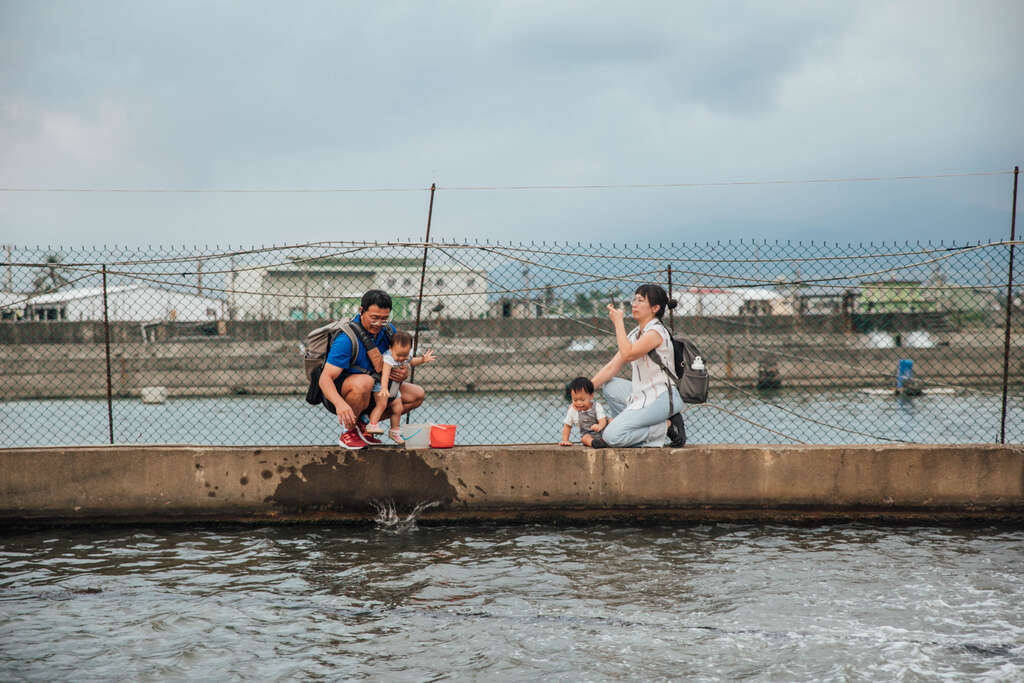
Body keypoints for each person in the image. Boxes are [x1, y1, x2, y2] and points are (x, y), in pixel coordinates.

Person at [318, 290, 426, 449]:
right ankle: (348, 432)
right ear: (361, 311)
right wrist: (340, 404)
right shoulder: (346, 339)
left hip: (376, 391)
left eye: (384, 318)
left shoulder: (389, 331)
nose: (378, 323)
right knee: (364, 382)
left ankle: (365, 424)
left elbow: (398, 362)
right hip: (342, 396)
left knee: (417, 394)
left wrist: (404, 372)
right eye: (374, 318)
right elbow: (324, 379)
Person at [585, 284, 686, 448]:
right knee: (610, 386)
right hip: (642, 394)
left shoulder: (656, 332)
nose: (634, 304)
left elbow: (628, 354)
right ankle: (629, 431)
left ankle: (666, 427)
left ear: (655, 308)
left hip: (661, 397)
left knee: (612, 437)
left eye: (640, 300)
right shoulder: (635, 334)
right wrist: (585, 390)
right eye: (634, 299)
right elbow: (612, 367)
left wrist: (618, 322)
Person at [366, 330, 437, 443]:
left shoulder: (404, 356)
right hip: (382, 387)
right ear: (390, 348)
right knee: (382, 404)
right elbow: (385, 374)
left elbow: (412, 361)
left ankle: (394, 430)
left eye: (405, 355)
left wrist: (422, 360)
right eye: (398, 355)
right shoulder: (388, 358)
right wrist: (384, 388)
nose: (401, 358)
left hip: (394, 389)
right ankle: (372, 424)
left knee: (397, 408)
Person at [559, 376, 608, 446]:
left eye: (582, 400)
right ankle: (594, 443)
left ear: (591, 396)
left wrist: (600, 425)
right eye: (575, 400)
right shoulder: (573, 410)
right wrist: (565, 440)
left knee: (610, 420)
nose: (579, 403)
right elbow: (567, 426)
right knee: (584, 438)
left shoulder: (597, 406)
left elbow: (602, 419)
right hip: (588, 435)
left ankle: (611, 438)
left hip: (602, 431)